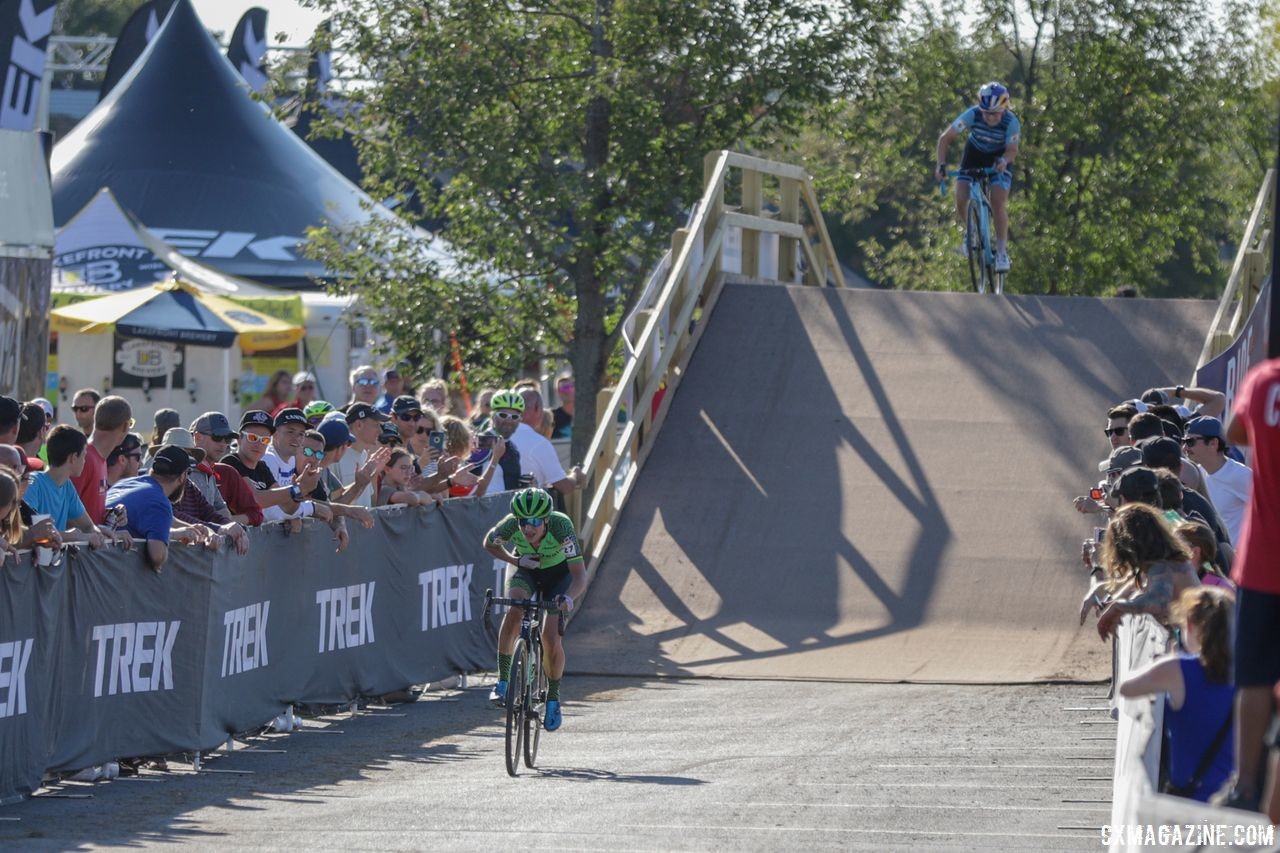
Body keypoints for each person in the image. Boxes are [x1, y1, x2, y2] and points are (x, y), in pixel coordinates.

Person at [1218, 358, 1280, 812]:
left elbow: (1235, 433)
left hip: (1263, 563)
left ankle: (1244, 787)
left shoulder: (1265, 380)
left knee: (1254, 678)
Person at [483, 488, 587, 732]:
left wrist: (568, 598)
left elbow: (580, 575)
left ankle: (553, 697)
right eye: (523, 522)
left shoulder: (562, 528)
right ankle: (503, 680)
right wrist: (516, 560)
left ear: (547, 520)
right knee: (515, 609)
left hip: (558, 577)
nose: (528, 528)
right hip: (527, 570)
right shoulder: (510, 525)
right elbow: (489, 544)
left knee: (551, 638)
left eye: (535, 522)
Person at [1119, 587, 1236, 802]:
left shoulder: (1179, 668)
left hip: (1187, 806)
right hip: (1234, 807)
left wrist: (1164, 662)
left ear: (1190, 625)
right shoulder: (1249, 676)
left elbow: (1127, 687)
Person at [934, 81, 1021, 273]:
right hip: (974, 154)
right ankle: (972, 233)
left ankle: (1001, 253)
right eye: (986, 113)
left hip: (999, 158)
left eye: (995, 113)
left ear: (1004, 110)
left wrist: (1004, 162)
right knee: (960, 196)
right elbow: (945, 138)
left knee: (998, 202)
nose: (990, 117)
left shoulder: (1012, 122)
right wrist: (940, 164)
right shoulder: (972, 114)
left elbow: (1012, 150)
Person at [1081, 503, 1200, 639]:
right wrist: (1097, 592)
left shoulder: (1164, 566)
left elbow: (1158, 601)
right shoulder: (1155, 566)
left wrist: (1118, 608)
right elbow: (1123, 590)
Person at [106, 445, 203, 572]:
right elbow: (157, 557)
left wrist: (186, 530)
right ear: (182, 476)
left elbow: (156, 519)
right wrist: (173, 535)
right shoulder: (159, 502)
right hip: (110, 572)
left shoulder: (125, 484)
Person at [25, 425, 120, 550]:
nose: (85, 461)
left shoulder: (67, 485)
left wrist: (99, 533)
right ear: (73, 458)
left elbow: (88, 527)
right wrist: (77, 537)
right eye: (84, 456)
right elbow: (30, 534)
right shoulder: (33, 483)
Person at [1182, 417, 1251, 547]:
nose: (1185, 447)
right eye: (1183, 441)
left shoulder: (1241, 475)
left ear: (1213, 443)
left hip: (1238, 559)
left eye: (1190, 441)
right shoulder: (1197, 473)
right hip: (1215, 558)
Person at [71, 395, 134, 525]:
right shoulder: (85, 459)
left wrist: (108, 514)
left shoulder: (98, 458)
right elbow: (64, 512)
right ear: (125, 426)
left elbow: (84, 510)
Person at [516, 387, 585, 500]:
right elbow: (564, 487)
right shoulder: (539, 443)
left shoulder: (496, 435)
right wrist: (575, 475)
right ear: (538, 409)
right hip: (526, 510)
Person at [330, 403, 390, 507]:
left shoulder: (364, 455)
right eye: (376, 425)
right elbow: (333, 505)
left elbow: (371, 502)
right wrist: (358, 485)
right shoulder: (337, 455)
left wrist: (374, 473)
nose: (380, 431)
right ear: (359, 425)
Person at [478, 390, 524, 496]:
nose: (509, 420)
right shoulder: (482, 442)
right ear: (493, 416)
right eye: (503, 415)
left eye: (514, 417)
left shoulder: (513, 448)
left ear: (520, 420)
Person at [551, 373, 574, 439]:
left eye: (567, 387)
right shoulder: (552, 417)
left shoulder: (586, 415)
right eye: (560, 389)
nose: (565, 391)